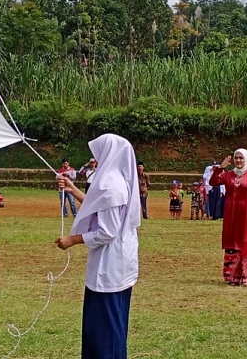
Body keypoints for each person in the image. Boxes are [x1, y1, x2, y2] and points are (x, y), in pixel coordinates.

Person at [54, 133, 140, 359]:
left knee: (105, 329)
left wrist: (72, 240)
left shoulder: (111, 184)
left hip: (110, 266)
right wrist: (73, 190)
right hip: (119, 262)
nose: (95, 157)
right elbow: (100, 206)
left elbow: (107, 232)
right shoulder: (117, 179)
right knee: (104, 326)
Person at [209, 149, 247, 286]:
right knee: (231, 244)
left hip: (246, 217)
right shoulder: (228, 175)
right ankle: (230, 276)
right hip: (230, 216)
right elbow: (213, 182)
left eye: (241, 158)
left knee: (244, 244)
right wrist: (220, 168)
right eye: (236, 158)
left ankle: (243, 276)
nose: (238, 161)